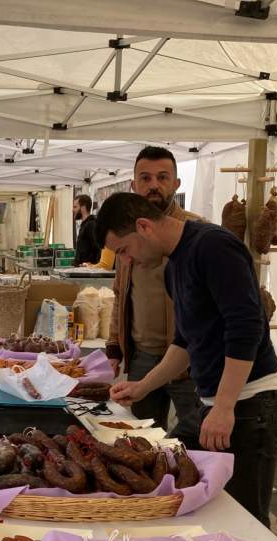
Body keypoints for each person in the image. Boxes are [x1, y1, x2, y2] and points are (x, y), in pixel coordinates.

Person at [99, 192, 277, 528]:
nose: (126, 261)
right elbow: (187, 342)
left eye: (124, 250)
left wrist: (225, 406)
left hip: (252, 405)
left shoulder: (214, 247)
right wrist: (144, 386)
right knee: (171, 473)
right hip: (214, 404)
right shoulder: (174, 266)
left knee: (245, 520)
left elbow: (246, 327)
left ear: (144, 227)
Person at [106, 146, 205, 446]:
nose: (154, 185)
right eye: (145, 178)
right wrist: (114, 346)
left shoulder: (196, 231)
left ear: (176, 183)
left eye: (163, 177)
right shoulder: (129, 233)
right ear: (134, 185)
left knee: (197, 436)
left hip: (190, 360)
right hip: (143, 356)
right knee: (142, 436)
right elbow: (121, 293)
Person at [72, 194, 100, 266]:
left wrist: (92, 265)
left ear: (83, 207)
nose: (73, 210)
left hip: (88, 272)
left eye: (75, 207)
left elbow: (98, 248)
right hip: (82, 270)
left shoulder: (91, 224)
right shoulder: (84, 225)